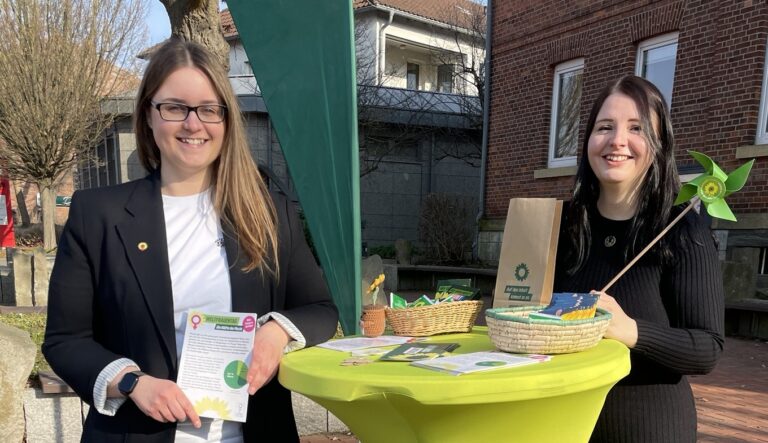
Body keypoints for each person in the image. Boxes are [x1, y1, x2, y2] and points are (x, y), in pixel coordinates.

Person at [42, 39, 339, 443]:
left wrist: (277, 332)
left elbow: (320, 308)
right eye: (175, 107)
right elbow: (65, 340)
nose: (193, 124)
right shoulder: (98, 215)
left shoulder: (269, 213)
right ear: (148, 115)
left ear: (226, 119)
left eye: (208, 109)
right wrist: (132, 382)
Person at [554, 75, 724, 442]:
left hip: (648, 427)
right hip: (560, 421)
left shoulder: (681, 230)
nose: (617, 140)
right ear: (588, 141)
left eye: (636, 128)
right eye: (605, 127)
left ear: (659, 145)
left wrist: (630, 330)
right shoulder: (558, 225)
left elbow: (708, 347)